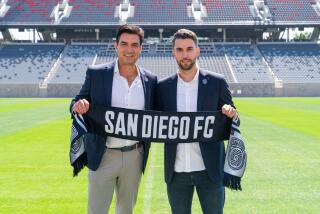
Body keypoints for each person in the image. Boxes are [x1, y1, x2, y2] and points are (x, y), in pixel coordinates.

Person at [70, 24, 157, 214]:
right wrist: (79, 105)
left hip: (136, 155)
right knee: (97, 210)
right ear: (115, 46)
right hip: (103, 154)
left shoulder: (151, 80)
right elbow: (77, 100)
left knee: (126, 211)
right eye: (124, 44)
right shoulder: (97, 73)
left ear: (141, 48)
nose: (129, 49)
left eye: (135, 45)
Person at [156, 29, 238, 214]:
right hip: (176, 172)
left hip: (209, 171)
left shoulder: (217, 82)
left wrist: (230, 112)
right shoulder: (163, 87)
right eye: (179, 50)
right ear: (173, 53)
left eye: (189, 49)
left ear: (197, 51)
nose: (184, 55)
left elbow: (233, 117)